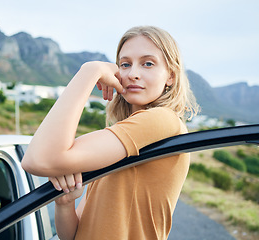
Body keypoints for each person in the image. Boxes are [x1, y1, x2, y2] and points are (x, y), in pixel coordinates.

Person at [22, 26, 199, 240]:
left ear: (170, 75)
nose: (133, 73)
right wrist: (65, 204)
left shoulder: (162, 120)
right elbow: (73, 236)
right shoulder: (120, 139)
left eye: (148, 64)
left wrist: (89, 71)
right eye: (125, 64)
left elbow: (38, 159)